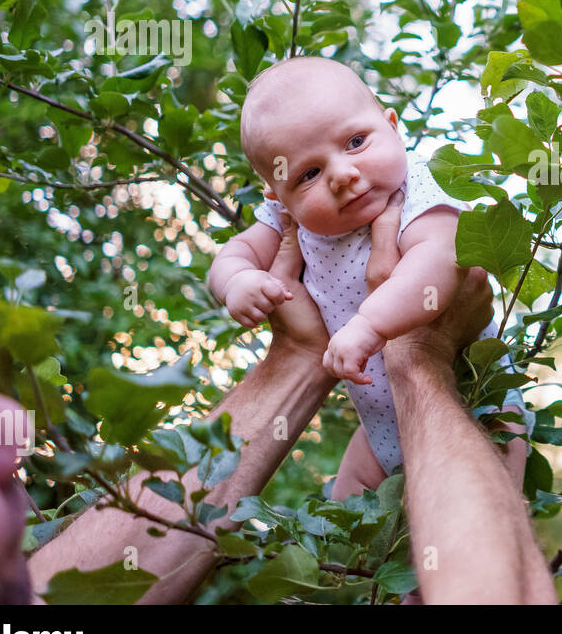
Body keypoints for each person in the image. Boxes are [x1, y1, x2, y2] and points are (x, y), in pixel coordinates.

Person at [0, 209, 556, 604]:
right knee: (359, 506)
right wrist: (419, 357)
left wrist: (300, 351)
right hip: (397, 398)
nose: (9, 424)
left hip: (395, 389)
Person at [207, 56, 526, 488]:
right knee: (350, 511)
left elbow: (437, 263)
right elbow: (233, 254)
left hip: (477, 400)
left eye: (356, 141)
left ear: (392, 126)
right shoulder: (289, 218)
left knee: (488, 494)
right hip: (380, 428)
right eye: (309, 174)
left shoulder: (419, 185)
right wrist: (237, 281)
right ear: (278, 196)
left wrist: (370, 324)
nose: (342, 174)